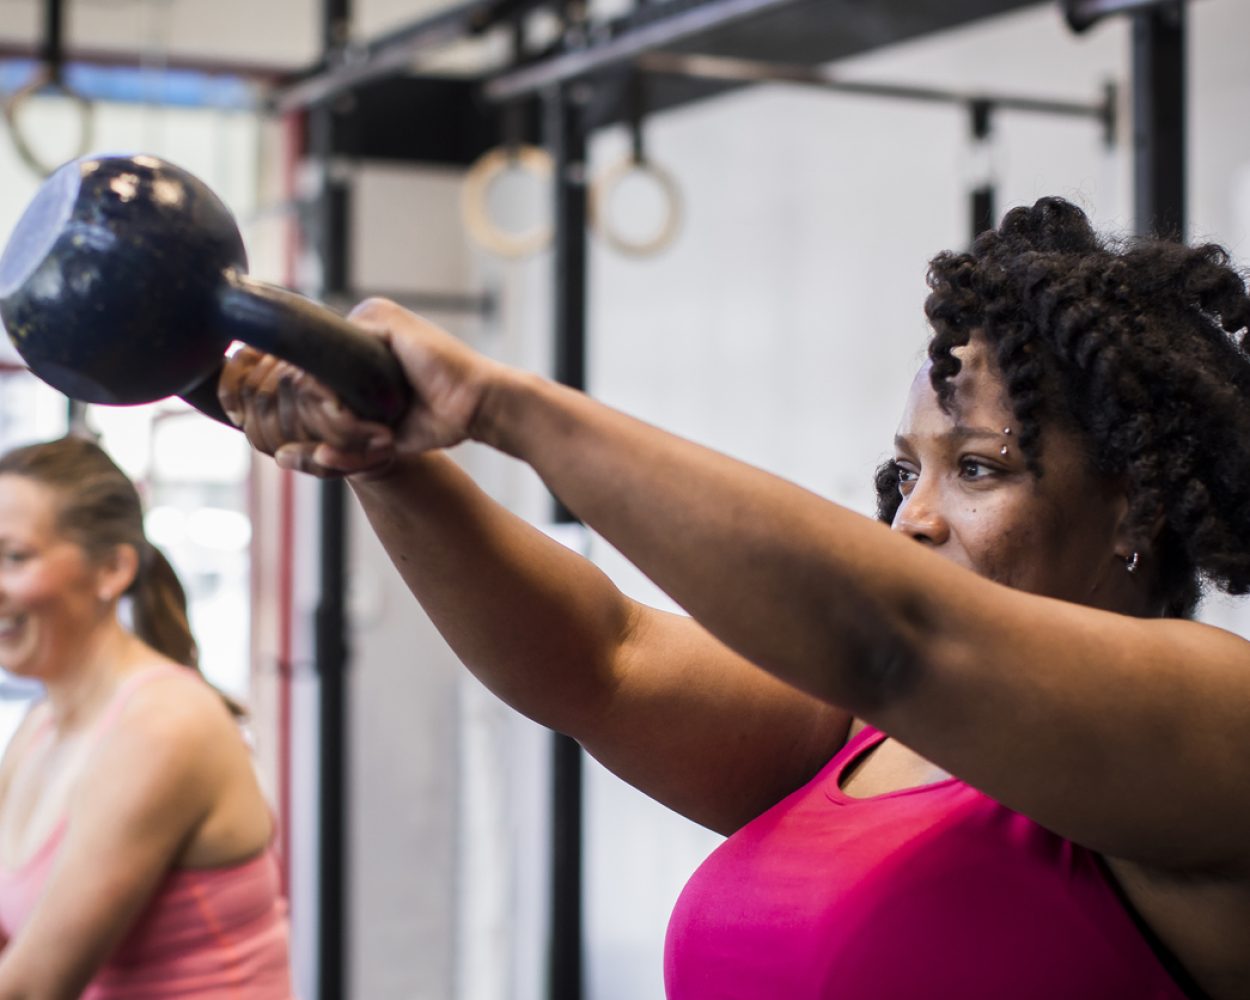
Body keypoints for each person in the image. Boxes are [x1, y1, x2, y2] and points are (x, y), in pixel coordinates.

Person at [221, 198, 1250, 999]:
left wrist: (499, 405)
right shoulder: (860, 738)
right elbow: (600, 659)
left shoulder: (1219, 720)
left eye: (978, 468)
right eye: (909, 471)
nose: (913, 518)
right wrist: (385, 460)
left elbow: (896, 637)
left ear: (1135, 509)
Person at [0, 435, 294, 998]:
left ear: (113, 568)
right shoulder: (39, 727)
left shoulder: (163, 725)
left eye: (14, 557)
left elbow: (33, 989)